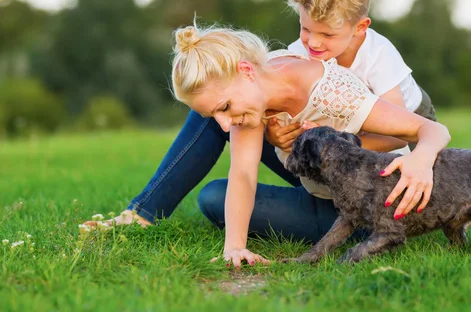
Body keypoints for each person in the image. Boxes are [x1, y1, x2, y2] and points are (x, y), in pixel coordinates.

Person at [88, 24, 450, 268]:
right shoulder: (253, 98)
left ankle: (143, 213)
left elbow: (430, 130)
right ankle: (142, 213)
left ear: (246, 70)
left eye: (226, 108)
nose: (227, 123)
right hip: (314, 177)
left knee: (214, 197)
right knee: (216, 190)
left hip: (361, 207)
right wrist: (235, 247)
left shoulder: (332, 91)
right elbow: (242, 175)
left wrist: (421, 160)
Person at [267, 0, 436, 154]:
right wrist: (272, 134)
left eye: (328, 34)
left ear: (360, 27)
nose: (313, 42)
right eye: (306, 29)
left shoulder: (378, 55)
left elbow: (397, 137)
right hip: (347, 126)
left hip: (409, 124)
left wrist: (337, 145)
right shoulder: (297, 55)